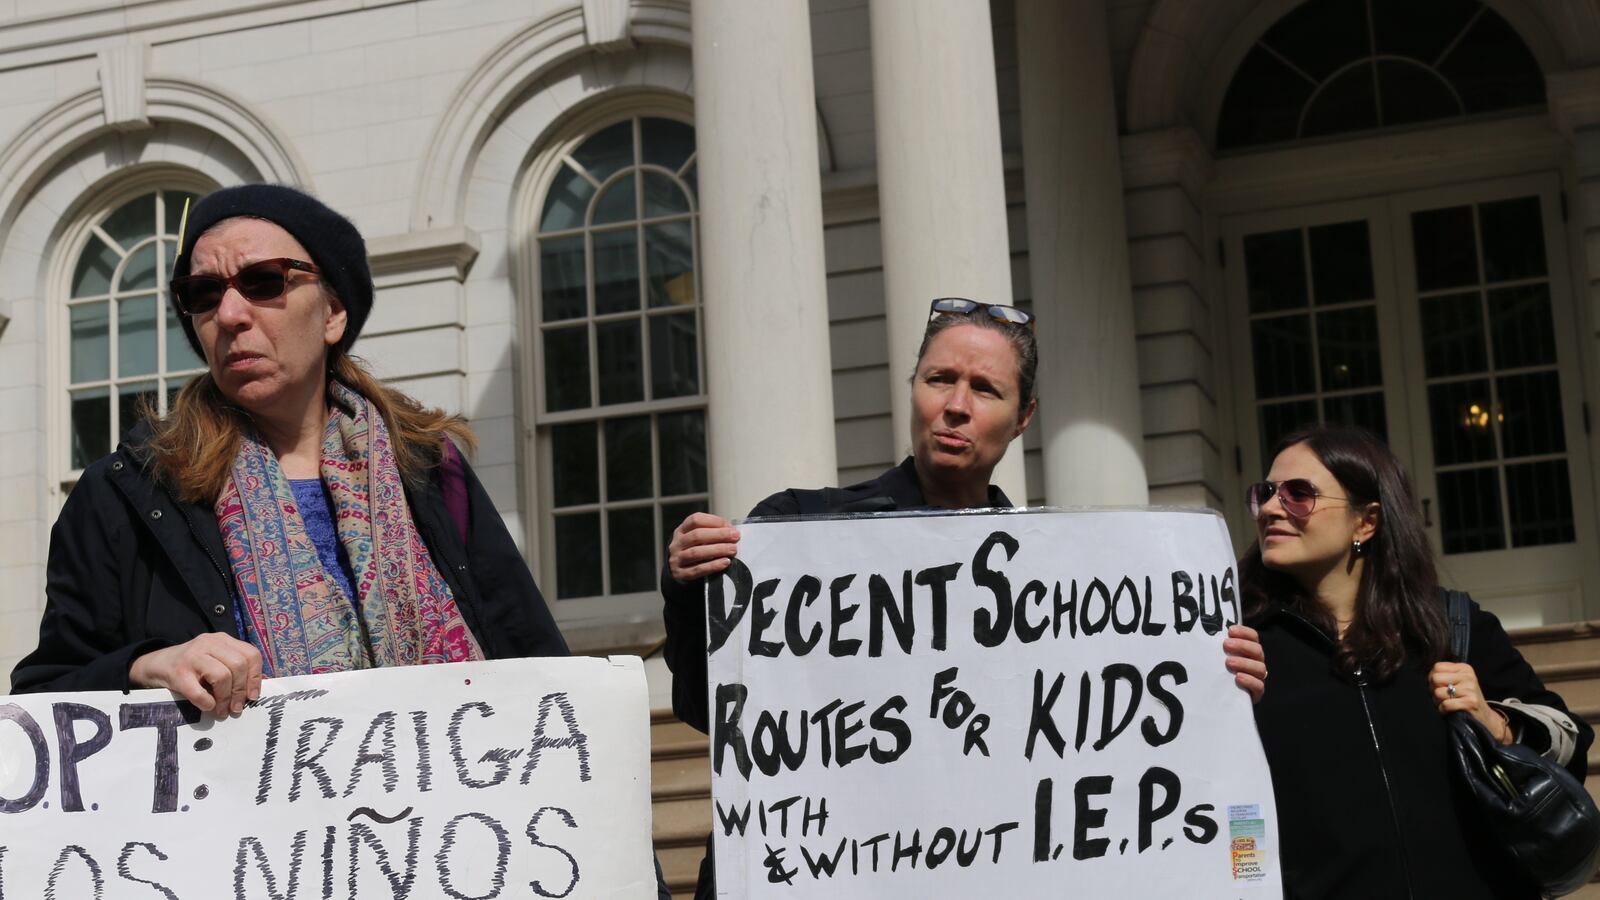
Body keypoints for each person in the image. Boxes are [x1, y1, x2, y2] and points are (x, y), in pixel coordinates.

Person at [661, 297, 1269, 899]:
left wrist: (1217, 680)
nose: (955, 406)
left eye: (985, 389)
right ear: (913, 389)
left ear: (1024, 415)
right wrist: (692, 589)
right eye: (939, 380)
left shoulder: (1065, 583)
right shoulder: (797, 531)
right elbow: (708, 708)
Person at [12, 183, 567, 704]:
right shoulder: (129, 491)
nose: (229, 314)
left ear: (333, 313)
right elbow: (47, 692)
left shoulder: (426, 467)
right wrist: (145, 667)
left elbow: (535, 666)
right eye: (203, 294)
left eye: (264, 281)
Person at [1242, 425, 1593, 899]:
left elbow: (1570, 744)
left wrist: (1497, 723)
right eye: (1264, 493)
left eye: (1297, 494)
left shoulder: (1451, 625)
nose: (1268, 509)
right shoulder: (1244, 646)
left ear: (1366, 522)